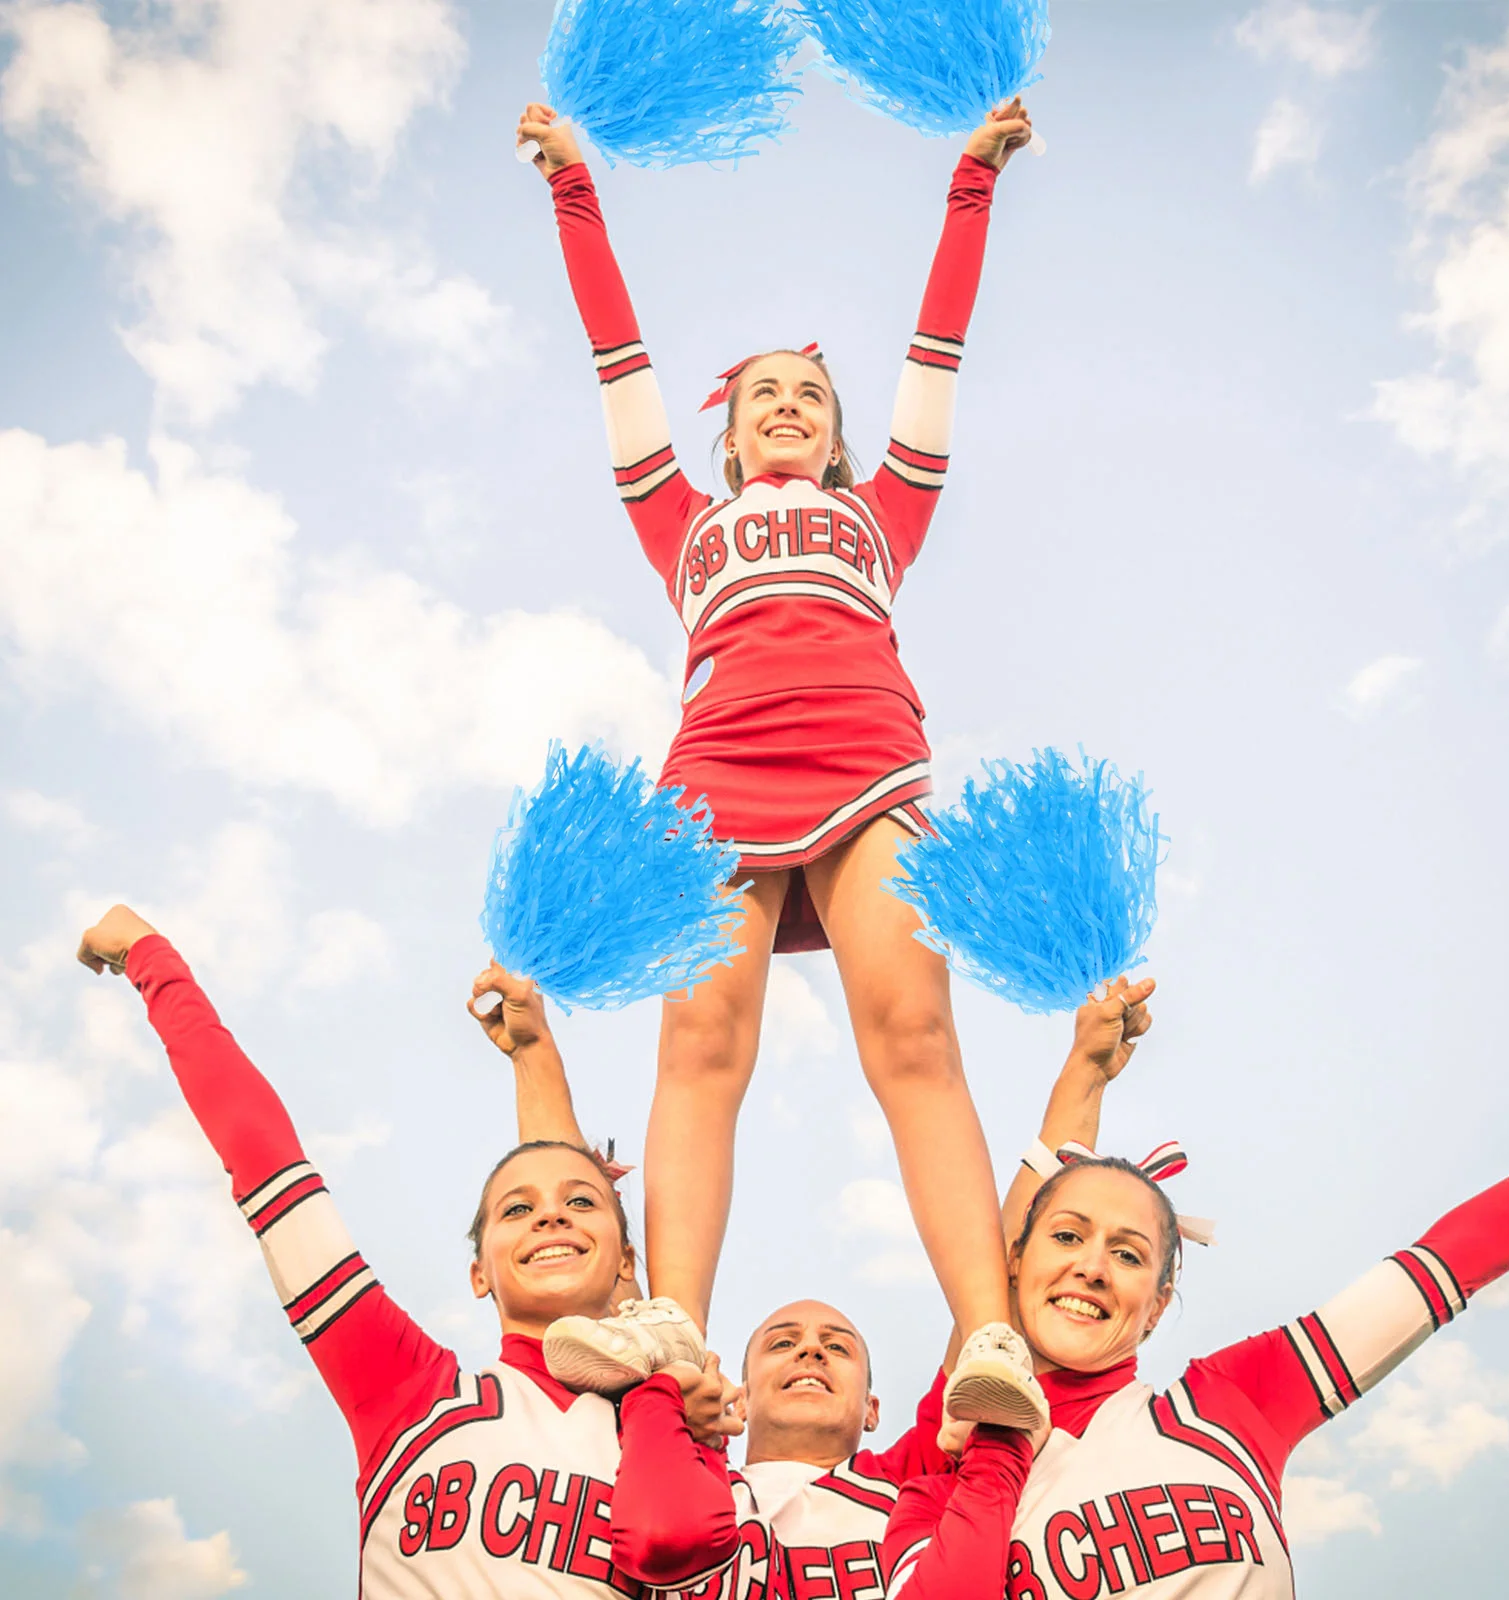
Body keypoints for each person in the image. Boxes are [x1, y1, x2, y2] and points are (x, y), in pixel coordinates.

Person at [512, 92, 1045, 1432]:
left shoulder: (886, 509)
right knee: (700, 1039)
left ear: (840, 432)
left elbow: (941, 344)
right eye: (764, 397)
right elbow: (617, 354)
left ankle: (990, 1336)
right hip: (718, 776)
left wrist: (969, 183)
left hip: (871, 764)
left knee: (915, 1032)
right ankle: (676, 1327)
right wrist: (575, 184)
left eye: (812, 395)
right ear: (732, 433)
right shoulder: (676, 519)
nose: (790, 407)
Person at [77, 905, 742, 1599]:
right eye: (517, 1210)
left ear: (626, 1263)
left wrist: (669, 1401)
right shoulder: (409, 1392)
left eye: (580, 1205)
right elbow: (262, 1155)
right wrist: (151, 958)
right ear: (479, 1273)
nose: (550, 1215)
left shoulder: (671, 1422)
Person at [484, 963, 1154, 1599]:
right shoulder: (681, 1470)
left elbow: (1001, 1277)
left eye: (838, 1345)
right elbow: (584, 1257)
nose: (810, 1351)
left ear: (873, 1408)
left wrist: (1085, 1075)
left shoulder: (915, 1478)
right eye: (783, 1341)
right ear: (736, 1397)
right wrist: (532, 1052)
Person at [879, 1027, 1509, 1599]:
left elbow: (1447, 1263)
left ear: (1158, 1305)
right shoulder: (934, 1491)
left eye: (1129, 1255)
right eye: (1067, 1236)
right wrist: (1001, 1447)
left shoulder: (1230, 1404)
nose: (1092, 1267)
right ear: (1014, 1263)